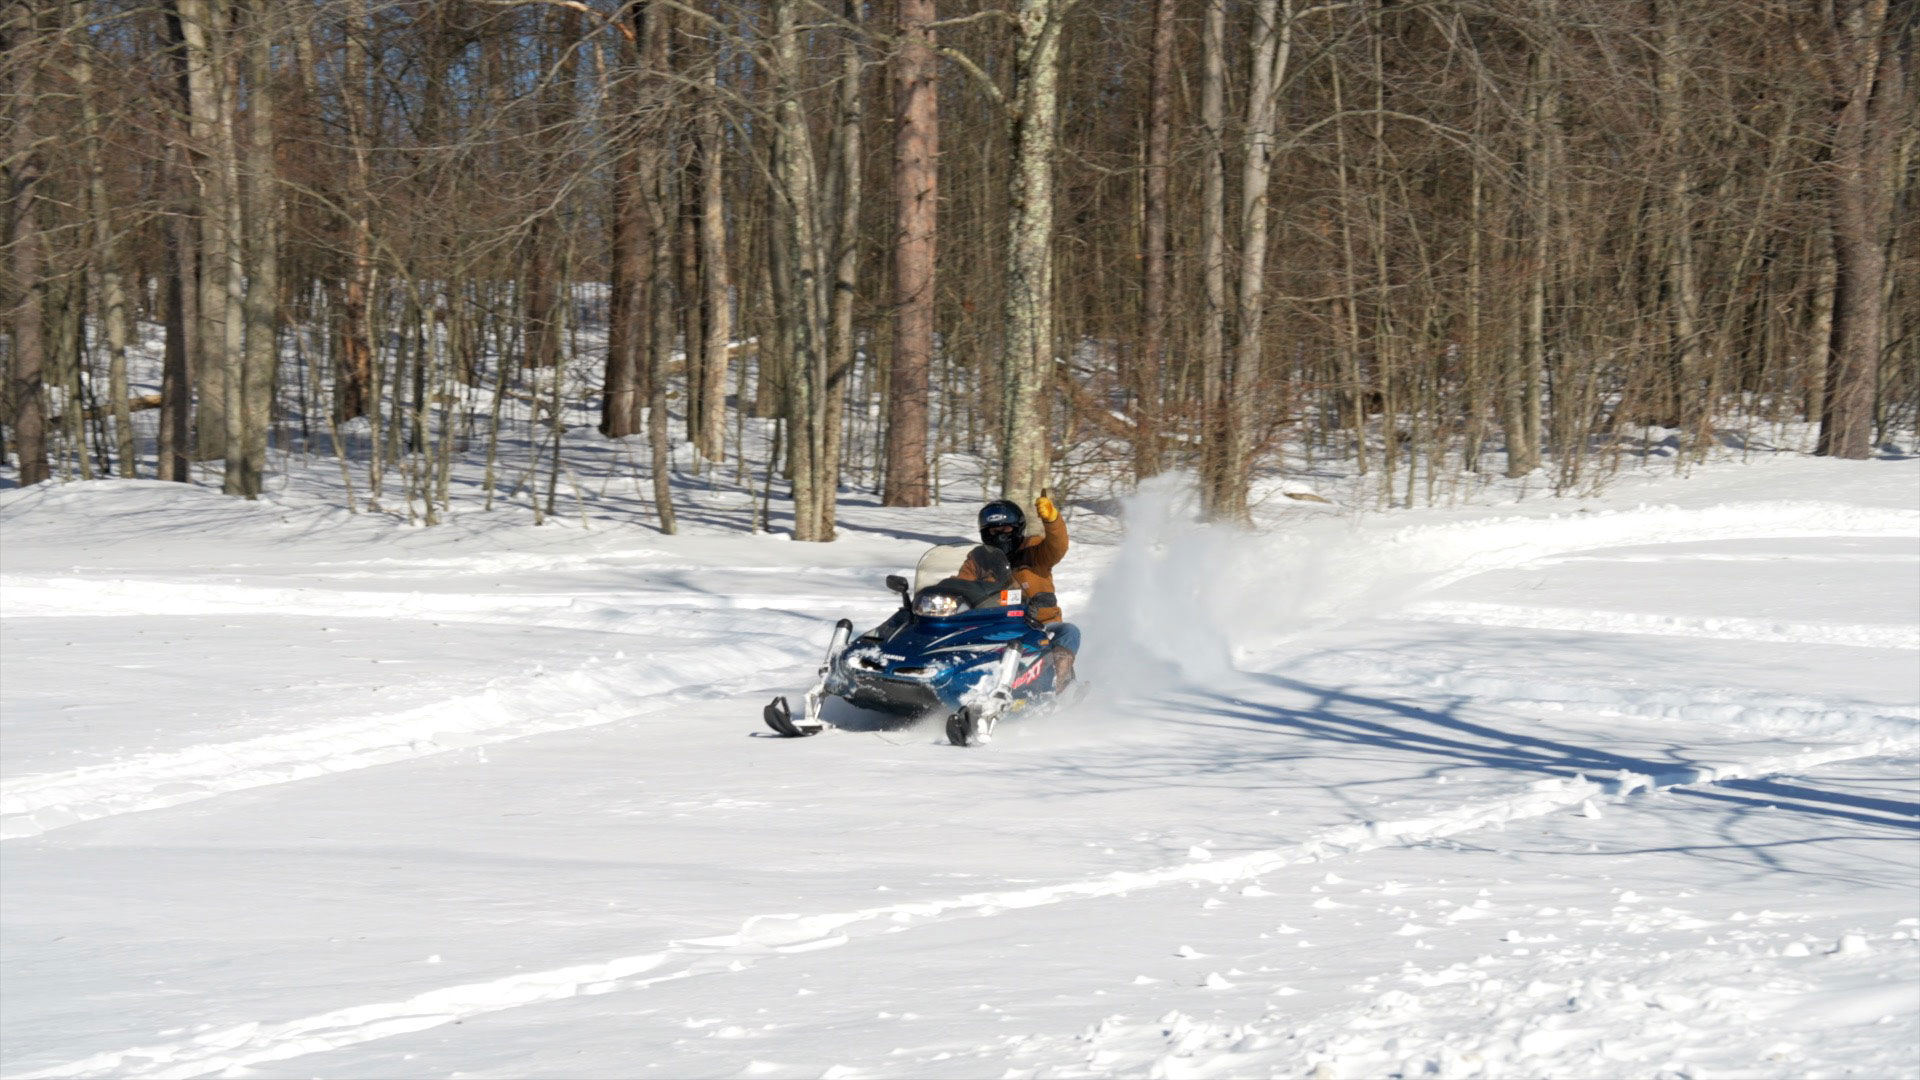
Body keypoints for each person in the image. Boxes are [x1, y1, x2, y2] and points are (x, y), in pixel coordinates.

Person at [977, 496, 1080, 685]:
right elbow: (961, 581)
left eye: (1006, 529)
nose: (1000, 535)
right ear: (986, 533)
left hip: (1040, 626)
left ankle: (1059, 683)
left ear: (1017, 529)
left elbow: (1057, 547)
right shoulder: (980, 559)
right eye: (994, 530)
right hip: (997, 627)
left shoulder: (1034, 549)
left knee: (1069, 631)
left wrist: (1052, 519)